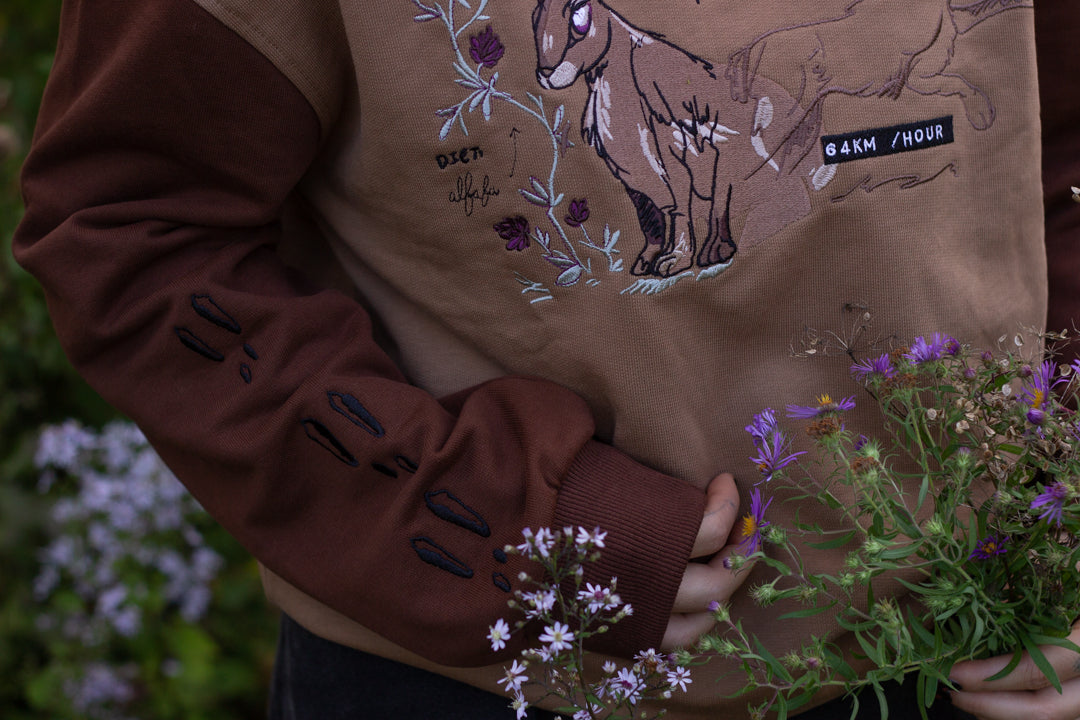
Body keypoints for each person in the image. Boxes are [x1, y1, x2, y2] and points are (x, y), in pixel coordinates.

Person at [12, 1, 1078, 718]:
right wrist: (491, 519)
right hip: (486, 679)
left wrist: (1066, 520)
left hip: (982, 648)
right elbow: (131, 227)